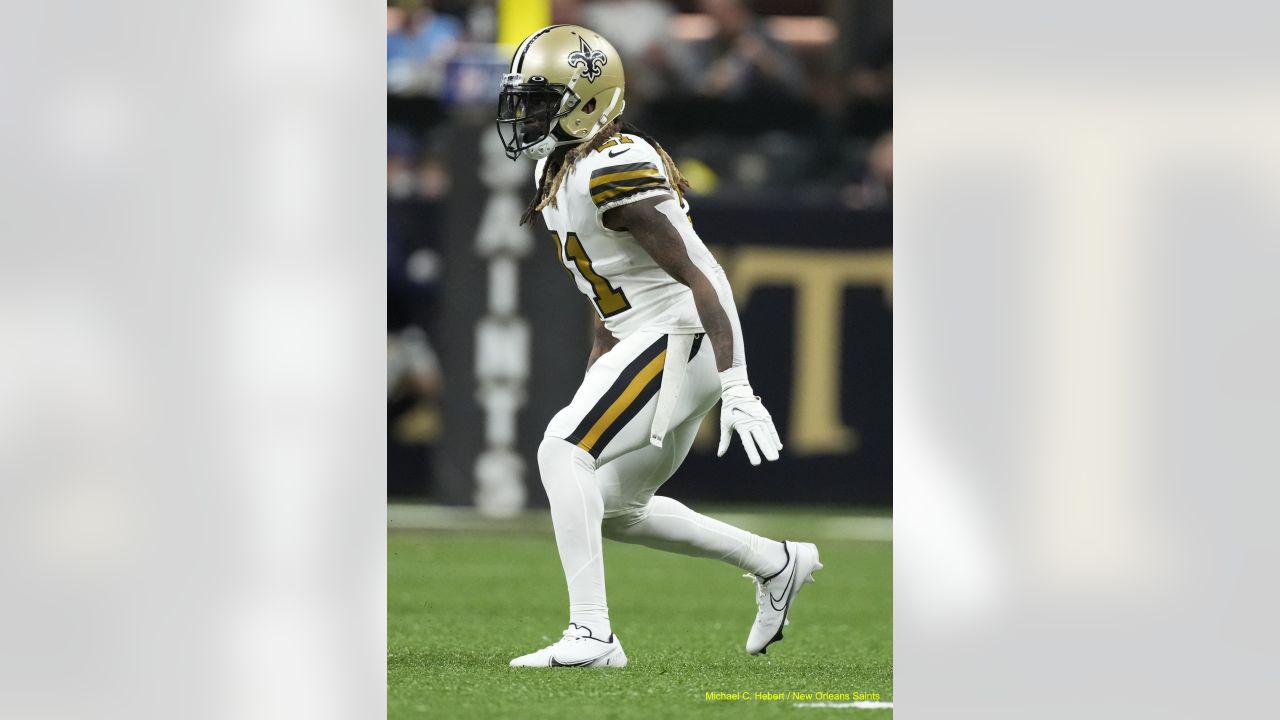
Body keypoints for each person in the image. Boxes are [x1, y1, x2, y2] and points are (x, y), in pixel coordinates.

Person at [496, 25, 821, 668]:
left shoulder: (616, 165)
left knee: (563, 452)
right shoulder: (557, 164)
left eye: (540, 98)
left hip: (681, 335)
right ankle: (776, 563)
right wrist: (601, 361)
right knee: (617, 508)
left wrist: (738, 383)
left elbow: (705, 274)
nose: (525, 113)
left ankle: (592, 636)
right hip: (644, 337)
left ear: (587, 101)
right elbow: (607, 282)